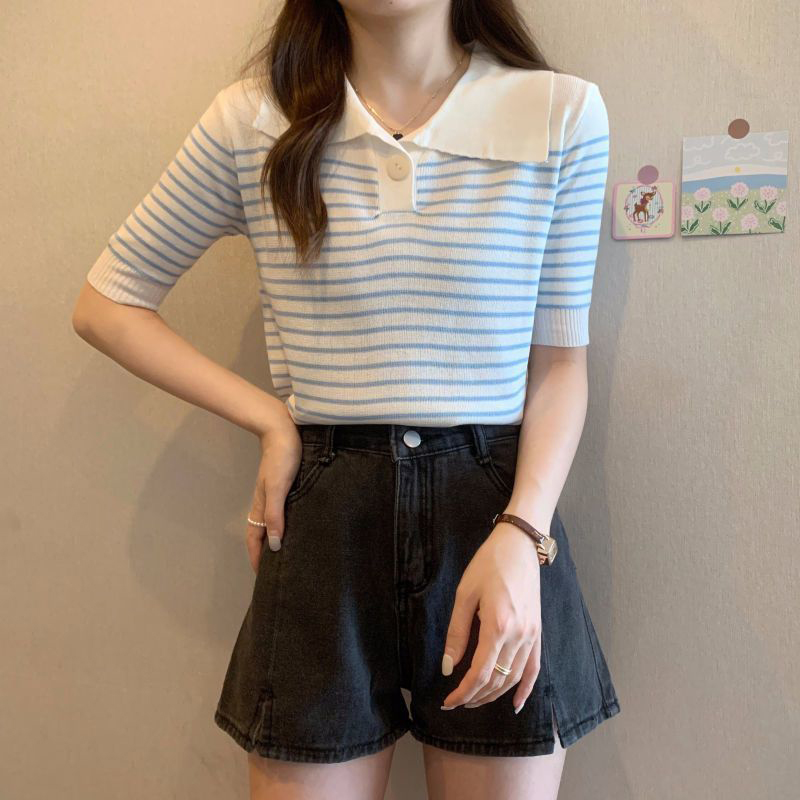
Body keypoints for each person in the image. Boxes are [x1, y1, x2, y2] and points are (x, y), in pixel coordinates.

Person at [72, 1, 620, 797]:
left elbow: (560, 364)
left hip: (498, 518)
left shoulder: (559, 113)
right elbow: (108, 303)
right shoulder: (253, 120)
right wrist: (270, 419)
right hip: (325, 518)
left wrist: (523, 530)